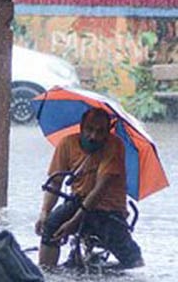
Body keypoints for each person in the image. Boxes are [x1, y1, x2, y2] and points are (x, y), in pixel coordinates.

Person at [35, 106, 143, 269]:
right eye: (89, 129)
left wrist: (74, 222)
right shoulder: (67, 144)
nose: (93, 136)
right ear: (81, 128)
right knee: (50, 227)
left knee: (132, 260)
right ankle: (45, 274)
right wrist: (44, 212)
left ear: (107, 133)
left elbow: (99, 190)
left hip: (107, 209)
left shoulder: (114, 146)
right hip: (77, 201)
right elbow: (55, 182)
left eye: (100, 132)